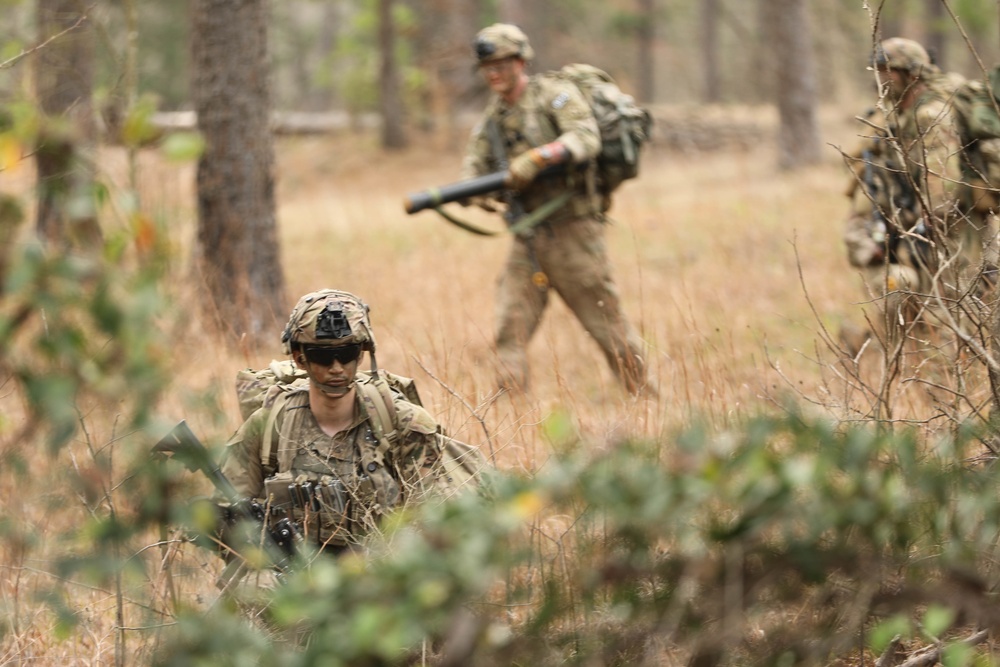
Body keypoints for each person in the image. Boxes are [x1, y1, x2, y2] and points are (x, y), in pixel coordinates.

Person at [215, 289, 484, 570]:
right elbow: (228, 515)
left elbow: (437, 519)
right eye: (322, 356)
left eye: (347, 354)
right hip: (291, 580)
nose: (336, 368)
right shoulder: (270, 423)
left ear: (361, 355)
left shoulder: (401, 424)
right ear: (299, 358)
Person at [459, 23, 654, 396]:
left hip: (573, 232)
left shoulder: (554, 95)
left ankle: (647, 400)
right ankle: (510, 416)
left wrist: (538, 158)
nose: (494, 73)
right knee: (508, 328)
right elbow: (474, 165)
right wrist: (475, 192)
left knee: (607, 327)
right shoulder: (494, 120)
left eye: (501, 63)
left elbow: (584, 138)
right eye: (488, 67)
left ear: (520, 61)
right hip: (527, 238)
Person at [841, 37, 993, 356]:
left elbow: (942, 183)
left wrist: (927, 224)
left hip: (955, 225)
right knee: (915, 293)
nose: (881, 78)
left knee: (955, 302)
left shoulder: (930, 115)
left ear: (912, 74)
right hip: (921, 225)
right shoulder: (897, 114)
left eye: (889, 71)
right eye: (878, 70)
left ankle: (953, 375)